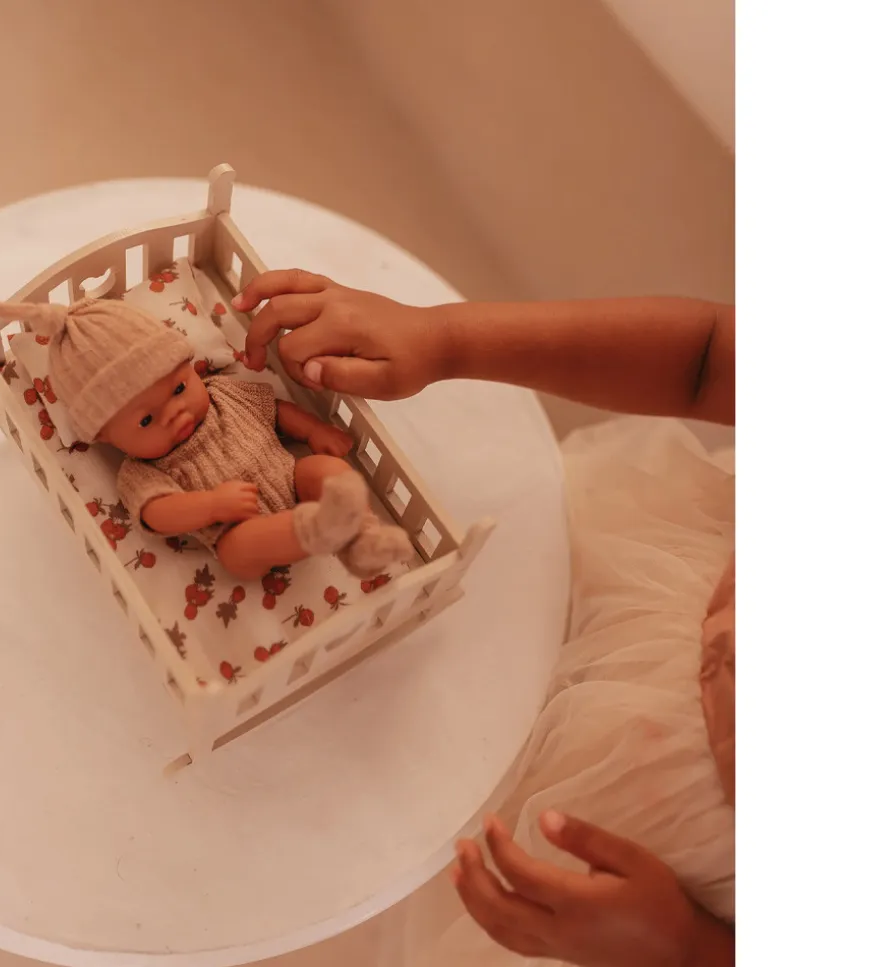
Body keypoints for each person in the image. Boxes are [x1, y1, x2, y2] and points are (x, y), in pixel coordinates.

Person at [233, 270, 735, 967]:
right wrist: (444, 338)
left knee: (444, 889)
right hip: (637, 573)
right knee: (406, 705)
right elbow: (707, 359)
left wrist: (688, 946)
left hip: (656, 878)